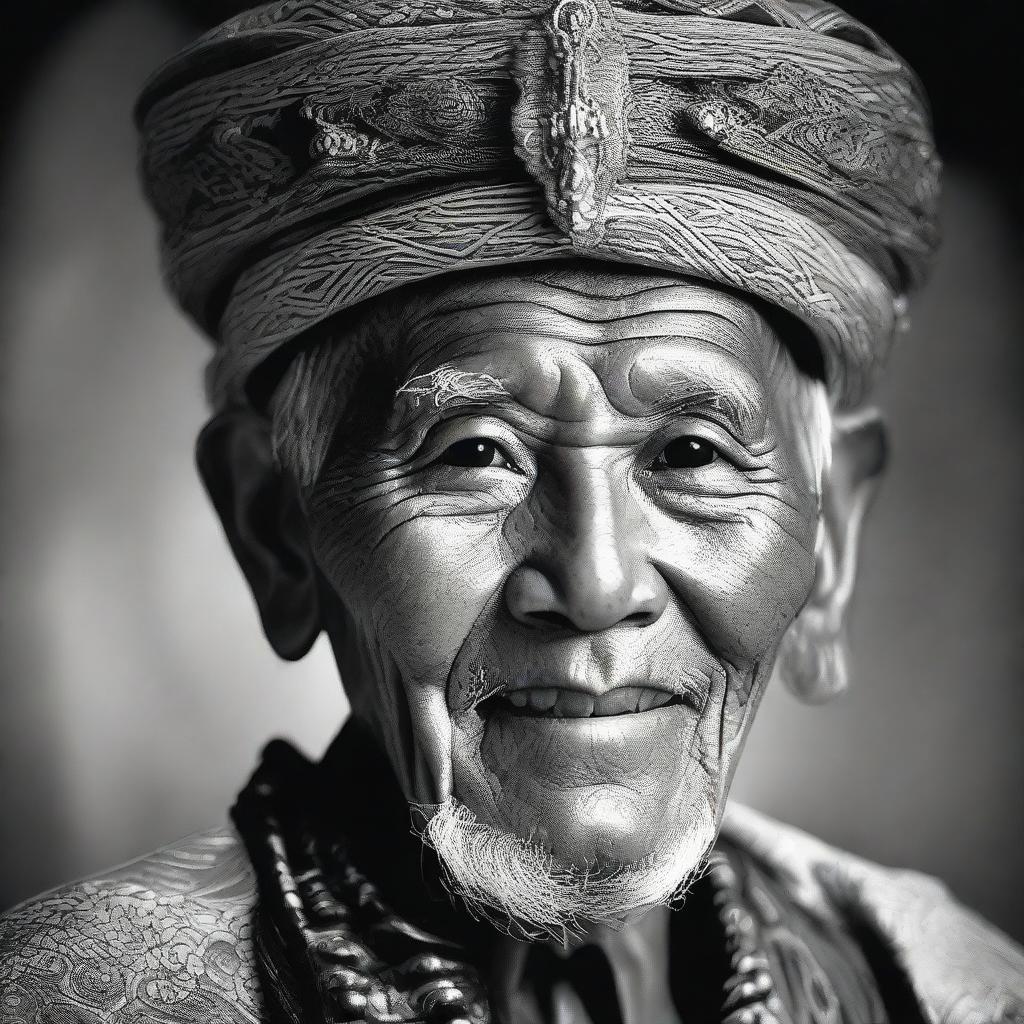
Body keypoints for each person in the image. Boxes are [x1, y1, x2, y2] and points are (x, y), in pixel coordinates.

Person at [2, 1, 1022, 1021]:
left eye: (691, 455)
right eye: (477, 454)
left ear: (831, 531)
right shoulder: (83, 1000)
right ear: (273, 526)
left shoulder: (944, 988)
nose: (594, 582)